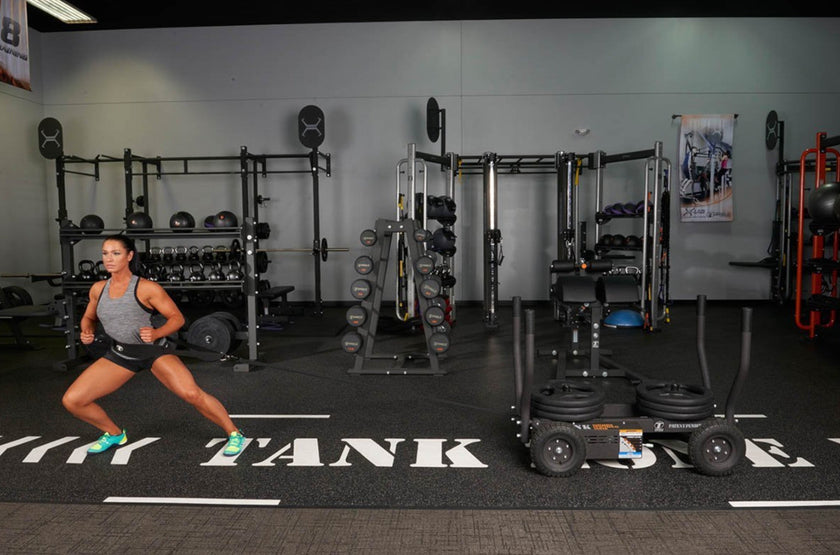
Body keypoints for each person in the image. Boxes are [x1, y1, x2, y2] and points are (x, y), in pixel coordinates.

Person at [62, 234, 245, 456]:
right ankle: (114, 434)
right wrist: (87, 331)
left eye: (116, 253)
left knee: (191, 394)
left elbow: (177, 318)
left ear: (129, 256)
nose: (109, 258)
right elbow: (88, 318)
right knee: (73, 401)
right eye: (105, 253)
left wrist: (157, 332)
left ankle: (234, 433)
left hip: (153, 352)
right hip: (121, 354)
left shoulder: (146, 288)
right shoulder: (98, 289)